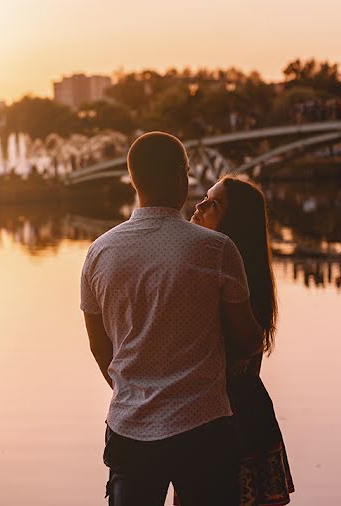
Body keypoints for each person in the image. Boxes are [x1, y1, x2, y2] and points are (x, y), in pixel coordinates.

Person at [81, 132, 265, 505]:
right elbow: (248, 340)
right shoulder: (215, 249)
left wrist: (133, 389)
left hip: (130, 426)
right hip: (204, 429)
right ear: (182, 177)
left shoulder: (99, 253)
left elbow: (100, 347)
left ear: (134, 180)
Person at [176, 175, 294, 505]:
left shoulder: (230, 276)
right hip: (225, 419)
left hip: (233, 426)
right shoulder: (218, 268)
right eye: (204, 197)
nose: (199, 206)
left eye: (213, 203)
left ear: (234, 222)